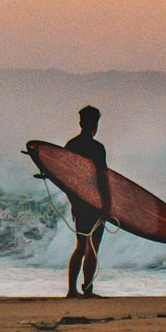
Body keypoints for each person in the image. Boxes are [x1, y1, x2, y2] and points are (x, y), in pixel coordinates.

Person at [64, 105, 111, 298]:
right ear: (96, 124)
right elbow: (103, 177)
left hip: (79, 201)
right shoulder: (97, 148)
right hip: (95, 202)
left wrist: (73, 202)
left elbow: (65, 179)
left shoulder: (70, 145)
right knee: (93, 245)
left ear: (80, 122)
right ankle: (88, 289)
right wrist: (107, 204)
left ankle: (71, 290)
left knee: (81, 245)